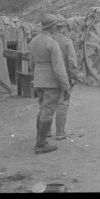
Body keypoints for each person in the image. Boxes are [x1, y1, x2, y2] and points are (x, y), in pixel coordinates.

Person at [29, 13, 71, 154]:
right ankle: (40, 145)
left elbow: (31, 63)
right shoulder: (51, 42)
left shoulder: (34, 41)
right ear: (53, 26)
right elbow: (58, 68)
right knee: (47, 111)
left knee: (42, 109)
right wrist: (65, 86)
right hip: (50, 82)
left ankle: (42, 140)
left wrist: (34, 78)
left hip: (38, 80)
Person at [51, 15, 80, 140]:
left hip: (48, 77)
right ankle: (59, 133)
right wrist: (74, 76)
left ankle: (46, 132)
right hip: (64, 77)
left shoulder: (47, 40)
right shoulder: (66, 41)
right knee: (62, 104)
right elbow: (72, 62)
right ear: (63, 27)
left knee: (47, 104)